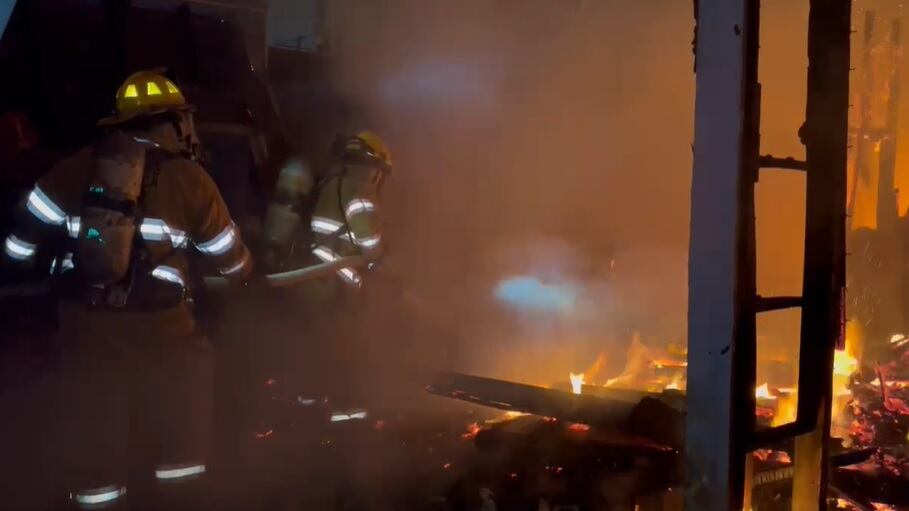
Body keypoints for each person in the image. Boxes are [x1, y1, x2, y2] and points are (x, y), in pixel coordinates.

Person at [3, 69, 251, 510]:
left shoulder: (74, 168)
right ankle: (179, 495)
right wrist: (243, 275)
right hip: (166, 333)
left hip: (86, 330)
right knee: (182, 426)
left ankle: (97, 498)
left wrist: (28, 267)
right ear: (172, 124)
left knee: (94, 434)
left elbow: (21, 240)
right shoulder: (189, 179)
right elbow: (229, 258)